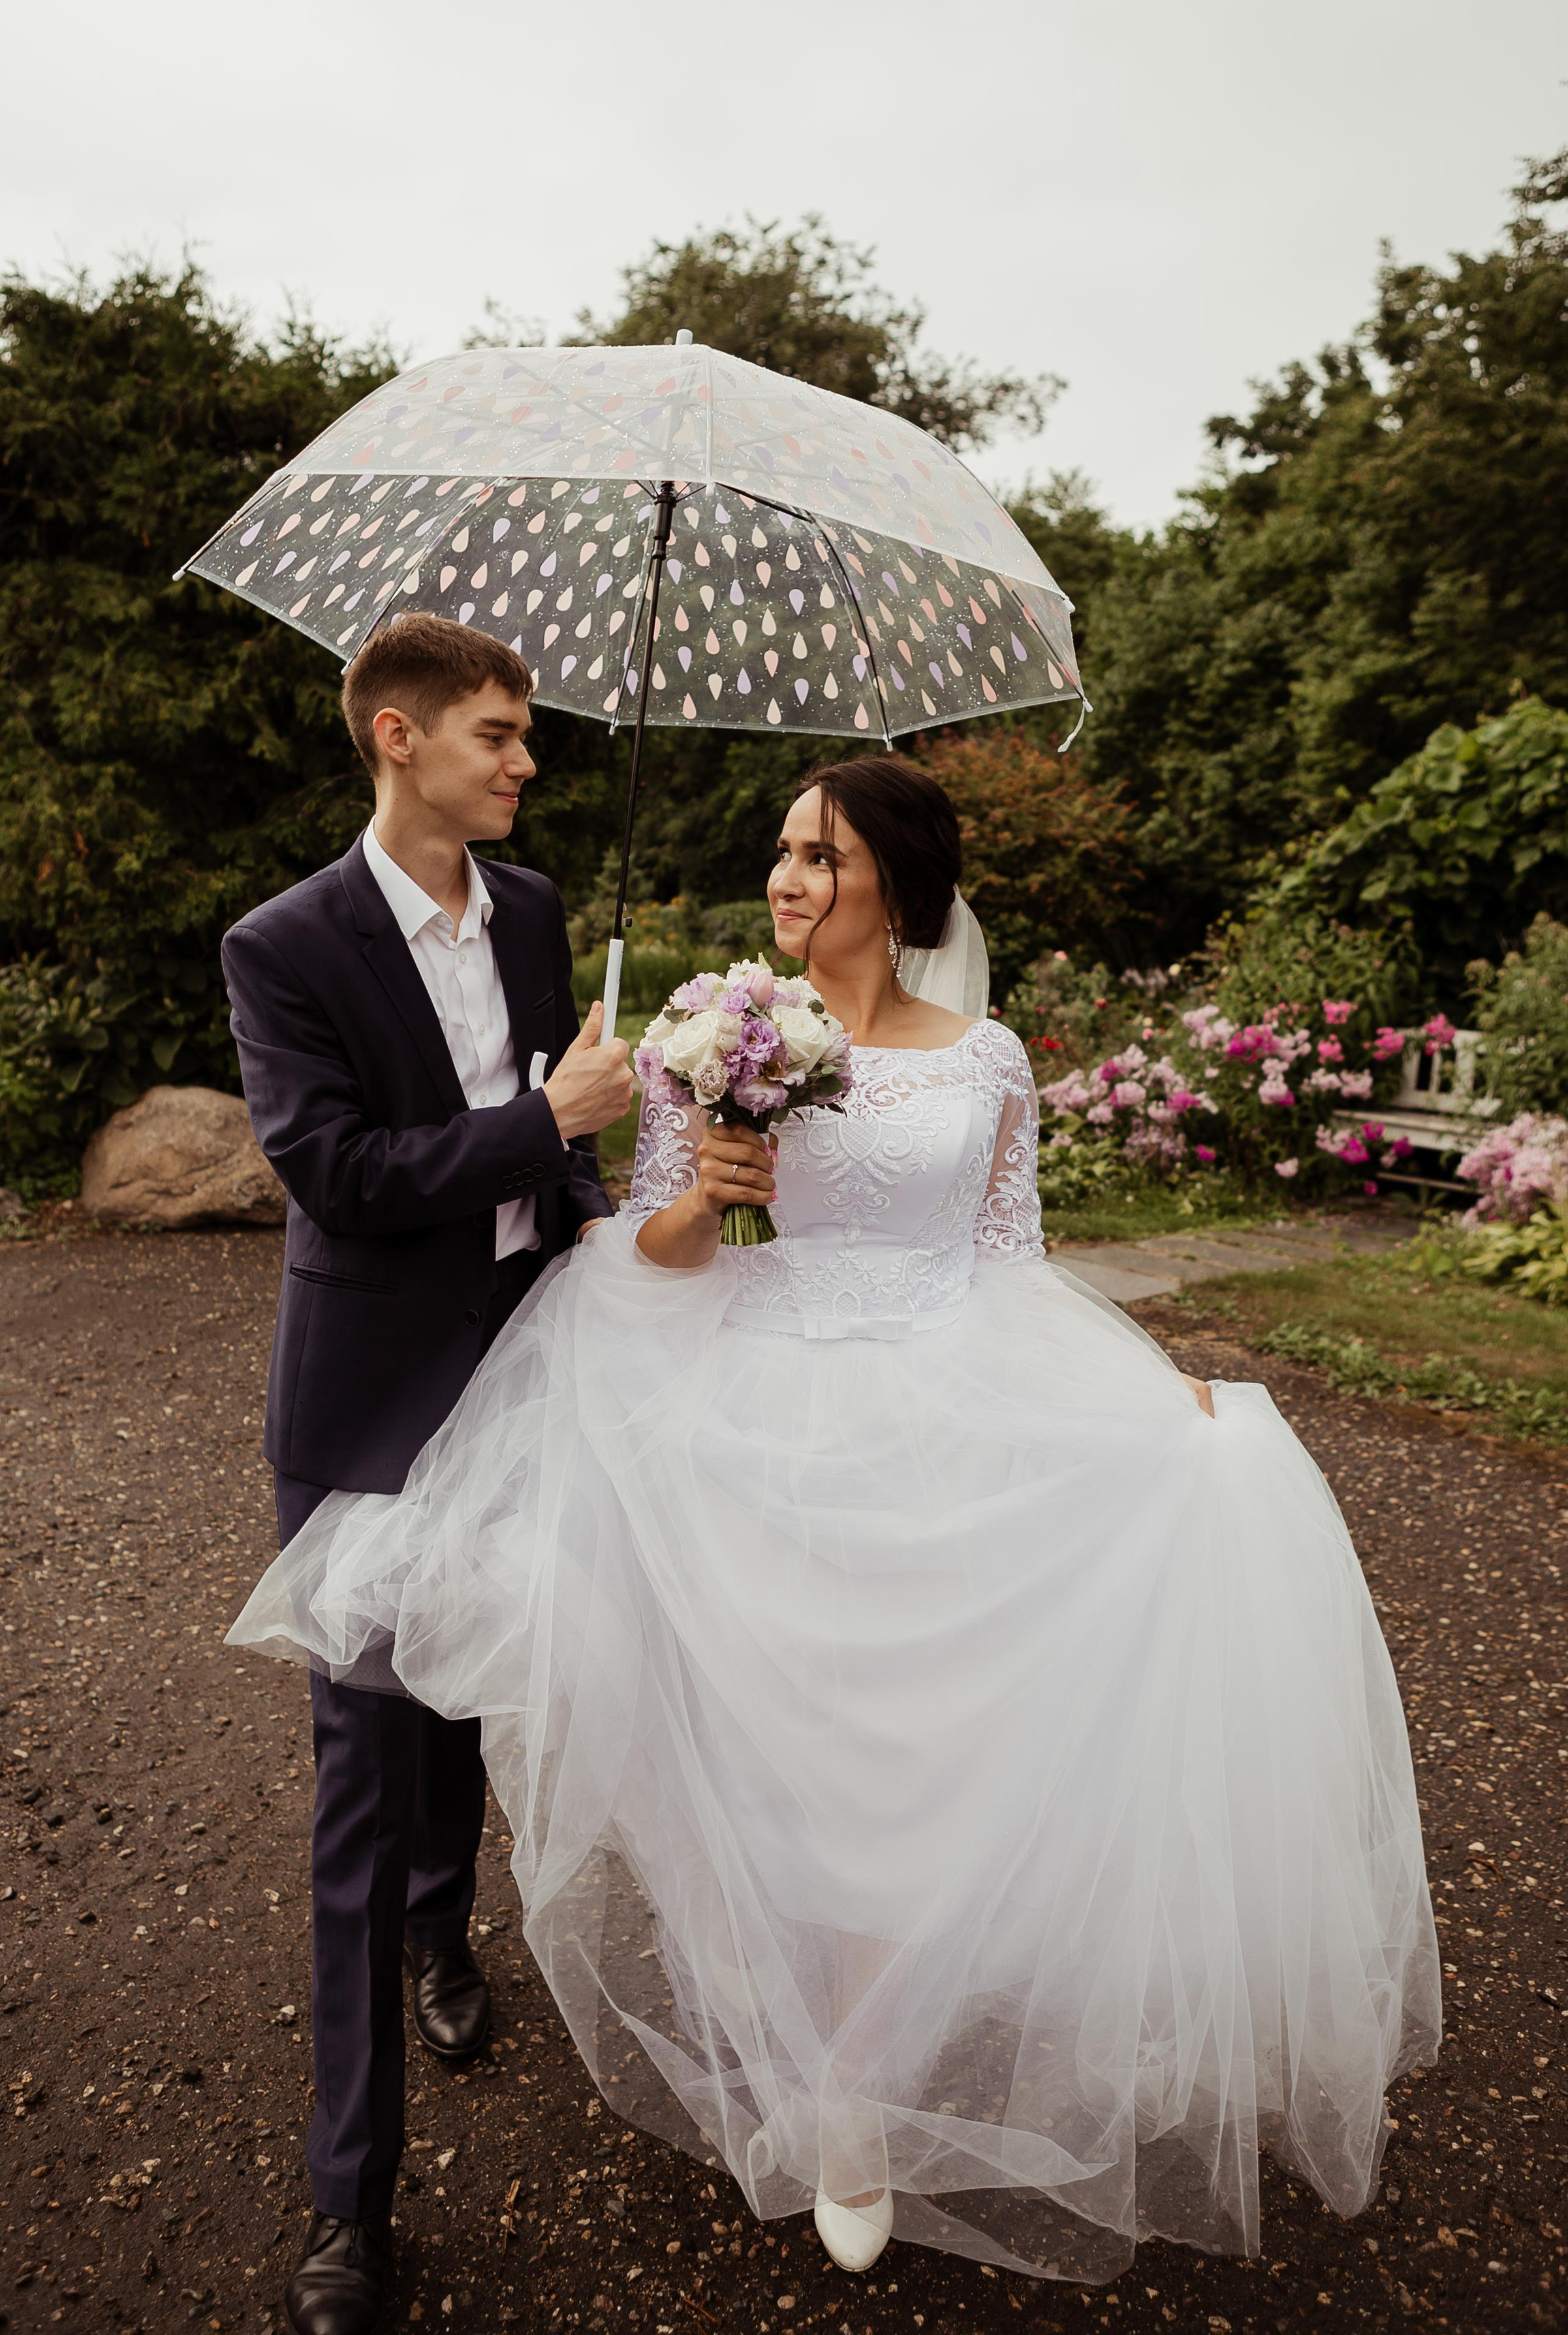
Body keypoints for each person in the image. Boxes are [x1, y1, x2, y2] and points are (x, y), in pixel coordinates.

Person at [230, 753, 1439, 2295]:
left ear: (896, 884)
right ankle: (787, 2043)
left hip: (934, 1416)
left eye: (821, 856)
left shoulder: (985, 1057)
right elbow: (662, 1246)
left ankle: (850, 2094)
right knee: (765, 1762)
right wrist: (708, 1188)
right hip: (747, 1421)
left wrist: (1146, 1397)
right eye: (782, 854)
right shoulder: (713, 1031)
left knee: (906, 1764)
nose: (789, 879)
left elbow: (1009, 1260)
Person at [220, 613, 631, 2335]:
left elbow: (567, 1157)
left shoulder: (536, 914)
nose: (525, 760)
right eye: (496, 734)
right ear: (396, 738)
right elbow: (340, 1171)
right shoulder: (287, 945)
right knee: (361, 1778)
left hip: (533, 1378)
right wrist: (549, 1122)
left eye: (526, 736)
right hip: (373, 1408)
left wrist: (614, 1204)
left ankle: (444, 1931)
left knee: (471, 1706)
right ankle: (348, 2202)